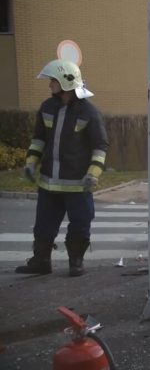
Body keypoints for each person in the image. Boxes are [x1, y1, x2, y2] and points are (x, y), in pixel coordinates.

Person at [16, 59, 109, 277]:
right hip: (49, 184)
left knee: (80, 225)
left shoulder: (89, 112)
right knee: (43, 227)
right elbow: (38, 140)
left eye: (53, 81)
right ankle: (41, 261)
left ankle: (76, 262)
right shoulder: (47, 108)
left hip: (78, 185)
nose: (50, 85)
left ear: (66, 83)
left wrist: (92, 174)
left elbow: (100, 146)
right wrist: (31, 164)